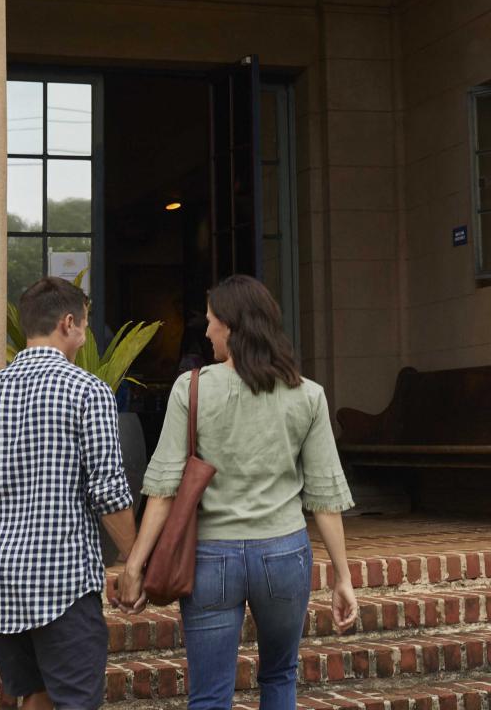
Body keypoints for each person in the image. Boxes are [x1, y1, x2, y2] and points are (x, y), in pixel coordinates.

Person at [123, 274, 359, 710]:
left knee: (210, 696)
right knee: (279, 677)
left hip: (212, 558)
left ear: (232, 327)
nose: (206, 330)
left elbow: (163, 489)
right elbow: (324, 496)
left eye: (212, 322)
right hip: (284, 555)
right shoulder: (307, 395)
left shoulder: (191, 389)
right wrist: (342, 578)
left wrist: (135, 564)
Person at [0, 277, 142, 710]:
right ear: (69, 323)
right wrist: (134, 563)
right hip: (62, 583)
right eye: (85, 325)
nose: (86, 333)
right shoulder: (87, 391)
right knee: (76, 702)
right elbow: (109, 492)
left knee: (33, 696)